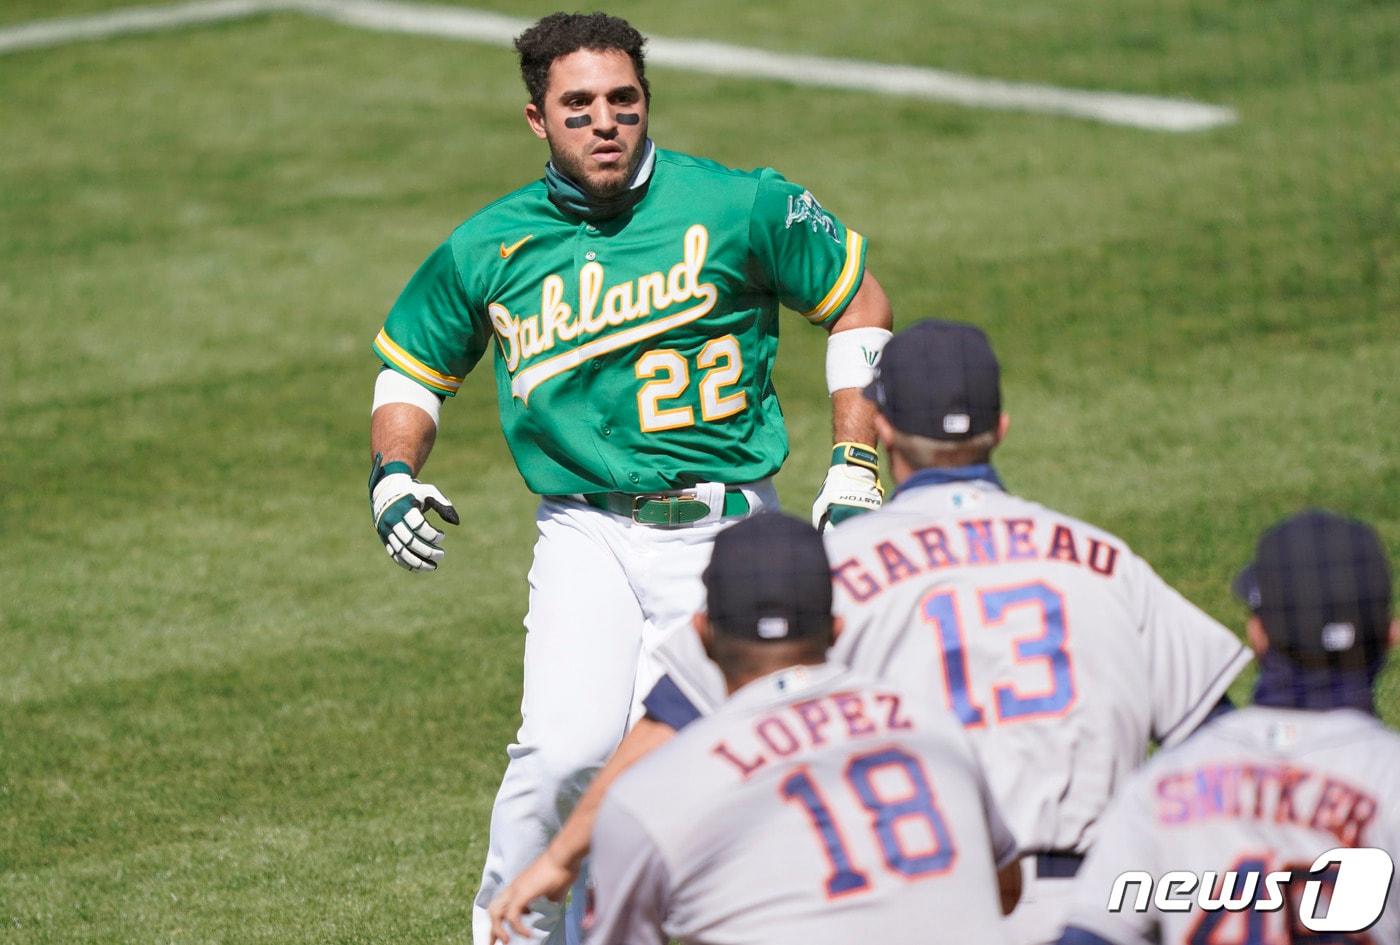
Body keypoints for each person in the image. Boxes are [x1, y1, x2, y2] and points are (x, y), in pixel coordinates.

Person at [364, 12, 893, 943]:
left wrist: (854, 463)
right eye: (578, 106)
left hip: (730, 531)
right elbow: (411, 370)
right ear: (538, 120)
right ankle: (511, 929)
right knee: (562, 751)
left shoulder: (740, 204)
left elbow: (858, 303)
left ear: (647, 102)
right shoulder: (489, 245)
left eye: (623, 100)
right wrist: (393, 475)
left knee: (719, 770)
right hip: (586, 531)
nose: (604, 121)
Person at [489, 319, 1250, 945]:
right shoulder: (1107, 562)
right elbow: (1220, 742)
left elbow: (670, 720)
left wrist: (559, 858)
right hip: (1104, 908)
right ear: (1001, 428)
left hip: (930, 903)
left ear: (881, 427)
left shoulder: (828, 572)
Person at [584, 513, 1019, 945]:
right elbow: (1006, 891)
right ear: (837, 629)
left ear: (702, 635)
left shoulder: (650, 796)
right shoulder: (937, 731)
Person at [1056, 509, 1399, 945]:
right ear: (1390, 635)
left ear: (1258, 634)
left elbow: (1092, 934)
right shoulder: (1389, 776)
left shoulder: (1164, 782)